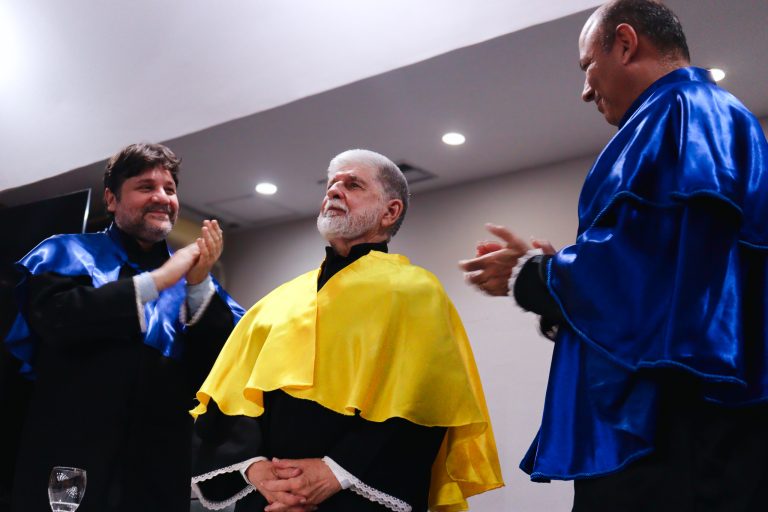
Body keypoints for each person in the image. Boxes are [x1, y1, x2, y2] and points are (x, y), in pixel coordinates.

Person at [459, 1, 768, 510]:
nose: (586, 90)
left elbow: (654, 269)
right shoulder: (705, 114)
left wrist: (533, 275)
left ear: (625, 43)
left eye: (588, 66)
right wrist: (560, 272)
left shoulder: (682, 112)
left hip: (673, 436)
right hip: (692, 428)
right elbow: (674, 265)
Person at [190, 149, 503, 512]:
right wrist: (257, 471)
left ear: (390, 212)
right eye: (331, 185)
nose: (334, 191)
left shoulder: (416, 291)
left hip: (356, 493)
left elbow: (425, 402)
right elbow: (231, 399)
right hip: (266, 499)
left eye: (353, 185)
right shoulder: (277, 300)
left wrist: (335, 472)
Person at [3, 142, 244, 512]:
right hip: (68, 464)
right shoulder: (64, 253)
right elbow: (60, 320)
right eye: (146, 187)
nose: (162, 197)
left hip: (156, 478)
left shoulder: (194, 286)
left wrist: (197, 286)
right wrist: (159, 280)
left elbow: (216, 374)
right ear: (111, 199)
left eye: (169, 189)